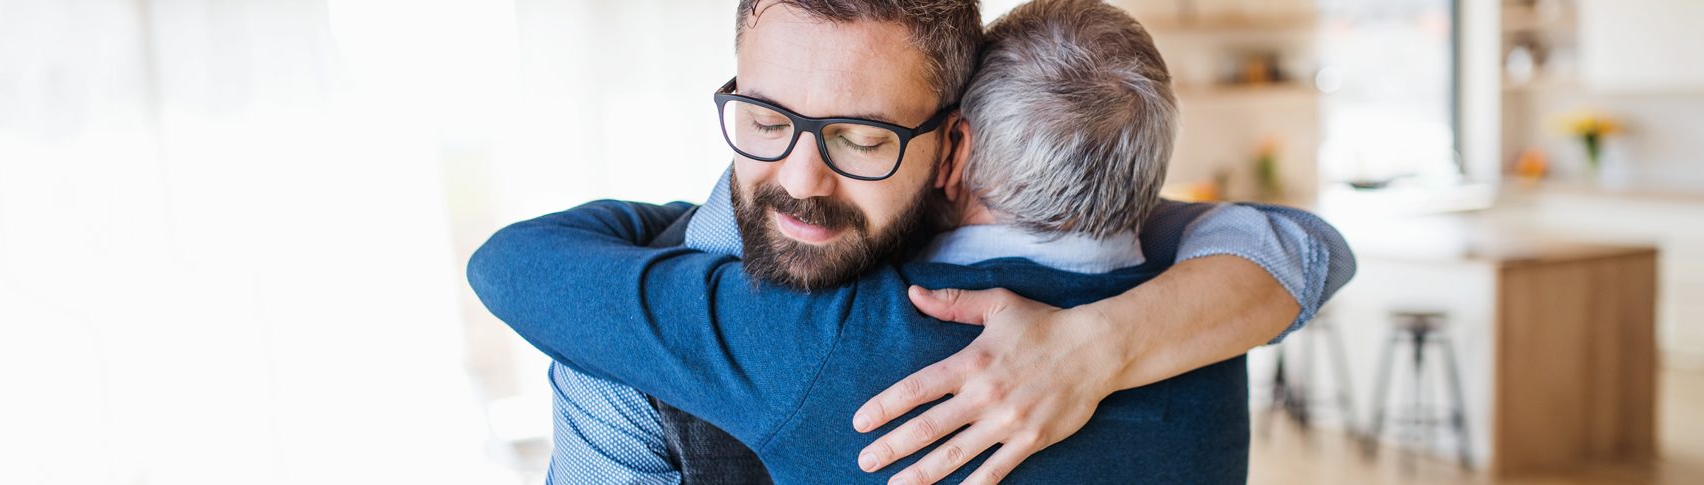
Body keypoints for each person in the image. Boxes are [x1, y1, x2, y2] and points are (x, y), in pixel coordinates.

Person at [476, 0, 1354, 483]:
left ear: (952, 147)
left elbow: (514, 263)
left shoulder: (822, 341)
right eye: (763, 119)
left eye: (861, 137)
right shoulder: (1204, 329)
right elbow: (1300, 245)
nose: (802, 180)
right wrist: (1109, 337)